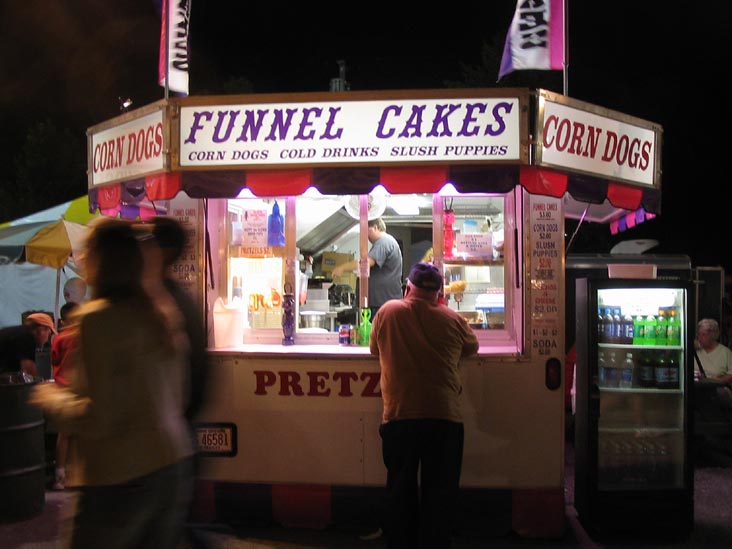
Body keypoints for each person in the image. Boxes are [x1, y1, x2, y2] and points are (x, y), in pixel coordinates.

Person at [29, 218, 194, 549]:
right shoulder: (162, 312)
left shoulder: (98, 319)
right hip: (172, 467)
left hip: (120, 475)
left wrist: (50, 399)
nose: (81, 259)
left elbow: (99, 418)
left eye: (87, 251)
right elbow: (179, 394)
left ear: (102, 259)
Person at [369, 262, 479, 549]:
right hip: (444, 417)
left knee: (400, 489)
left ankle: (400, 542)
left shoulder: (387, 312)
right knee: (440, 493)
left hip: (399, 416)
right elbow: (472, 347)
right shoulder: (452, 318)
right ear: (440, 293)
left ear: (408, 287)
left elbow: (373, 348)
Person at [331, 217, 403, 317]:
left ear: (375, 227)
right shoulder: (386, 242)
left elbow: (366, 262)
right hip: (383, 302)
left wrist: (342, 268)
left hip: (382, 303)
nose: (365, 235)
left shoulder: (383, 242)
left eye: (366, 230)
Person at [49, 301, 80, 490]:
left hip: (62, 388)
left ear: (62, 320)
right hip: (79, 389)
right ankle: (69, 475)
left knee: (64, 434)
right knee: (76, 433)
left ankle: (60, 475)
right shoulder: (83, 336)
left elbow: (54, 360)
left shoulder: (58, 338)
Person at [0, 312, 57, 379]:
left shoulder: (16, 333)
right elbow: (29, 369)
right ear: (40, 330)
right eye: (49, 334)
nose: (47, 340)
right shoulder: (26, 337)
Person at [695, 318, 732, 382]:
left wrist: (713, 381)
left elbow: (731, 374)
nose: (700, 338)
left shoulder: (726, 352)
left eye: (704, 335)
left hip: (717, 386)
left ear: (713, 335)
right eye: (698, 334)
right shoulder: (695, 351)